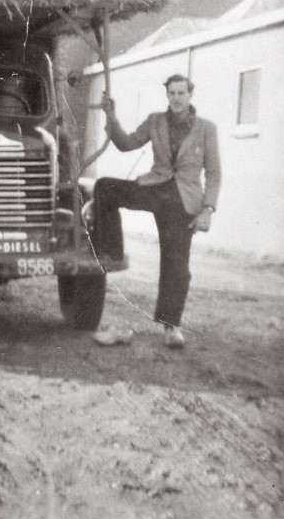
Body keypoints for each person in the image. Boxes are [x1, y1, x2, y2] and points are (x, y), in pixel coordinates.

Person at [86, 75, 221, 349]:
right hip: (155, 187)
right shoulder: (155, 121)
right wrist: (110, 116)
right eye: (172, 93)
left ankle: (171, 327)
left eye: (181, 92)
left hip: (183, 201)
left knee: (177, 264)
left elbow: (214, 172)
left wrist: (208, 209)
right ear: (167, 95)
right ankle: (110, 252)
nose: (176, 98)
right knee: (104, 187)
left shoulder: (207, 128)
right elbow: (125, 143)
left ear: (190, 95)